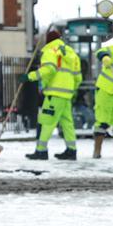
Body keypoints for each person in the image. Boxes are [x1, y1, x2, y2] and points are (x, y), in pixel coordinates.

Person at [23, 27, 82, 160]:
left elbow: (49, 69)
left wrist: (30, 76)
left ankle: (41, 151)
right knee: (67, 123)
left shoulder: (50, 51)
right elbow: (78, 78)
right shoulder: (71, 53)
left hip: (54, 94)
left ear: (48, 41)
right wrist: (71, 89)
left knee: (46, 122)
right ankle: (71, 151)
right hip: (67, 95)